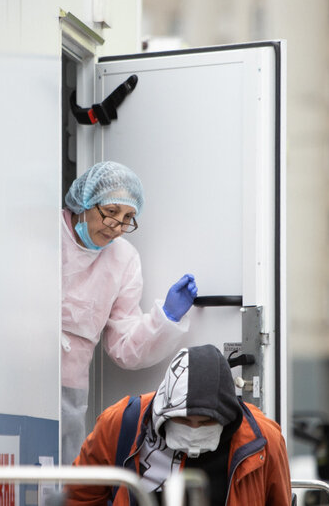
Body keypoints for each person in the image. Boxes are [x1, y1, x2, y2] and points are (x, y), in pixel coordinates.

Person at [61, 161, 199, 464]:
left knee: (58, 480)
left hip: (70, 391)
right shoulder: (48, 235)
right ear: (84, 201)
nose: (117, 225)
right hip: (21, 376)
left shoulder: (123, 258)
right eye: (111, 211)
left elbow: (125, 346)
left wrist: (167, 318)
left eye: (128, 218)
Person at [66, 344, 292, 506]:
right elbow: (79, 497)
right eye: (183, 420)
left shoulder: (262, 440)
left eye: (205, 422)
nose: (194, 430)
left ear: (227, 418)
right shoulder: (120, 423)